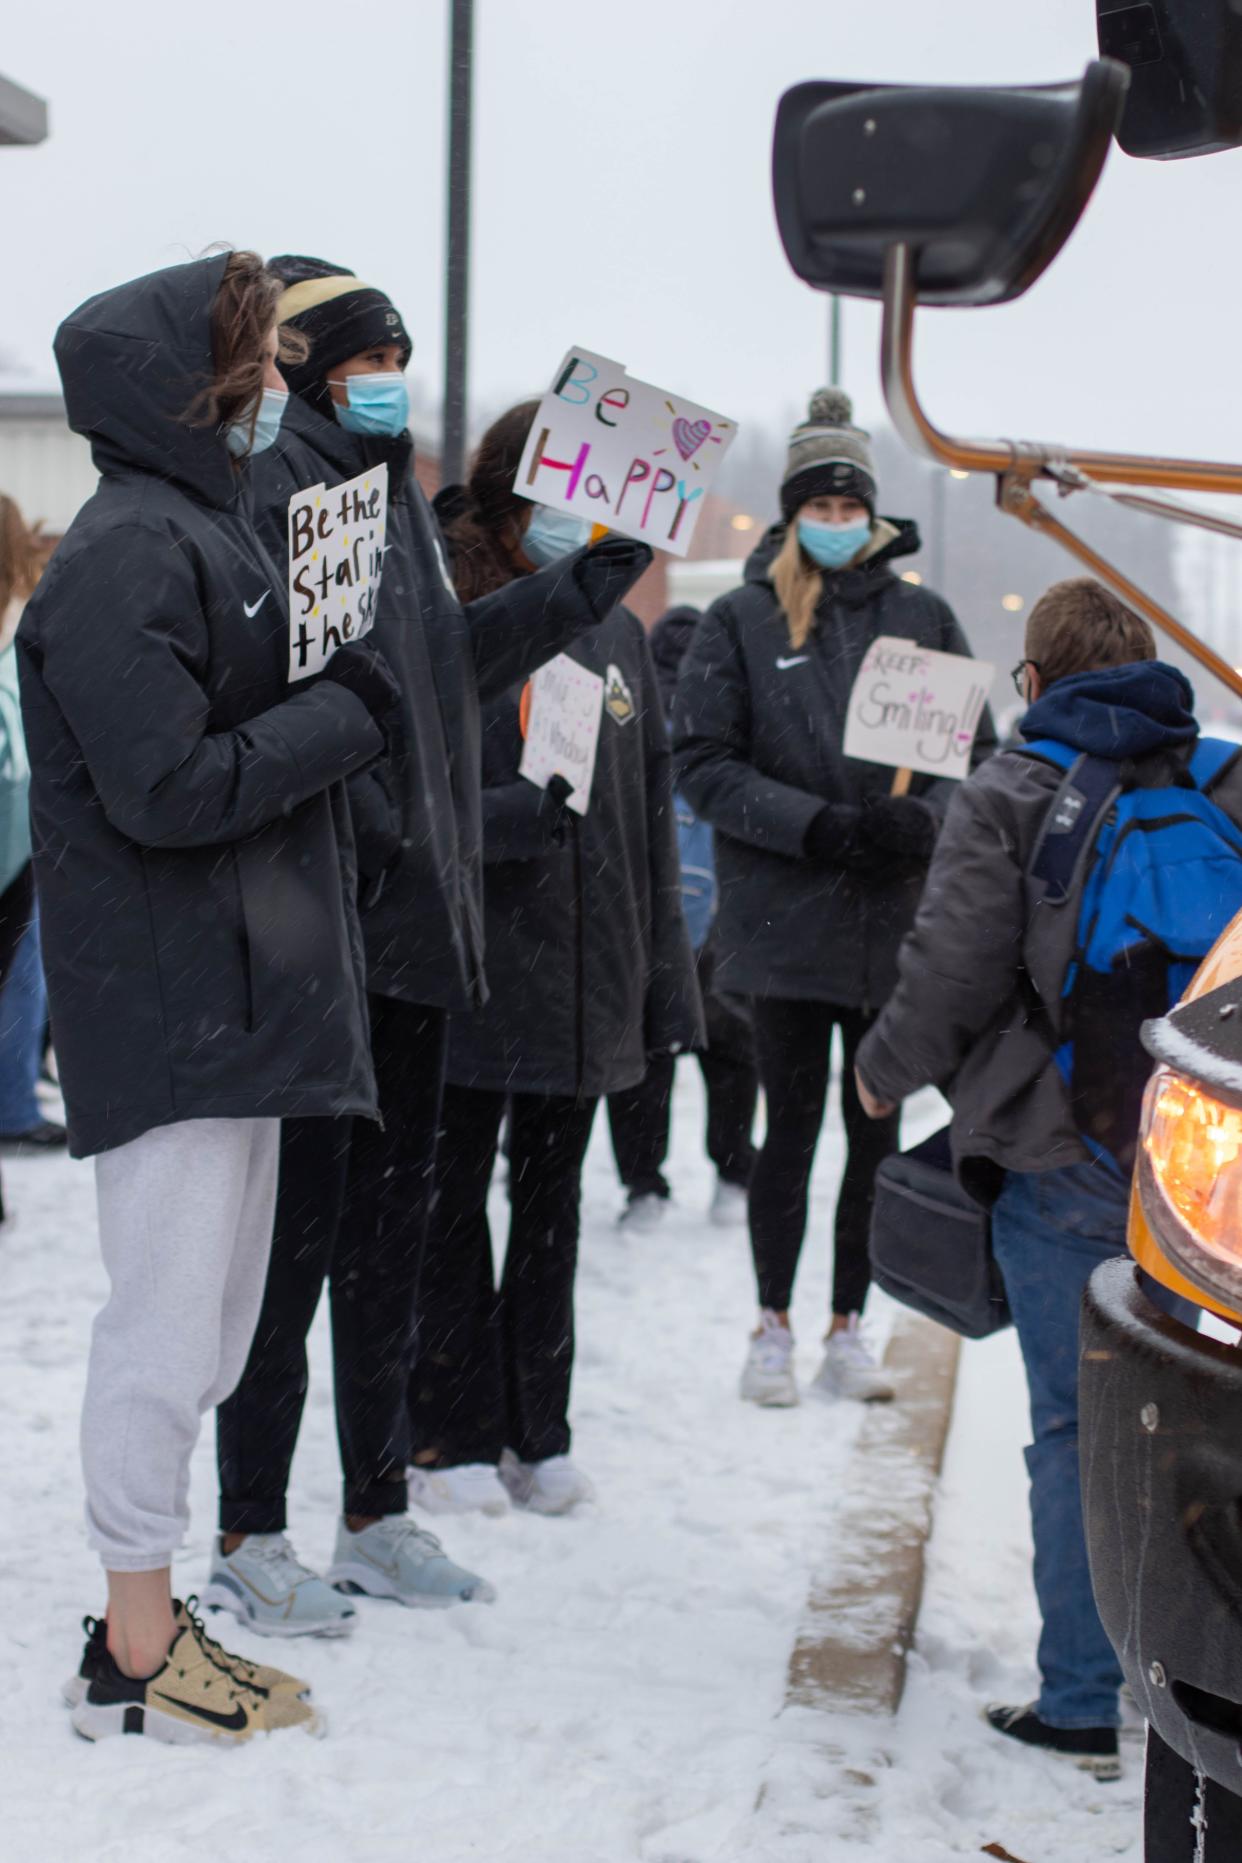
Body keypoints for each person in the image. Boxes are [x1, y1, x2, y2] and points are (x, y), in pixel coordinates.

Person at [209, 260, 653, 1631]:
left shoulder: (394, 496)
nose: (389, 372)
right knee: (293, 1246)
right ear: (303, 368)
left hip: (410, 936)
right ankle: (249, 1525)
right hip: (308, 929)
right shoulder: (268, 493)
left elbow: (440, 669)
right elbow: (296, 702)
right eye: (366, 353)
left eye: (400, 349)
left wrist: (581, 588)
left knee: (390, 1246)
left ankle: (376, 1506)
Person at [19, 252, 399, 1744]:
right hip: (172, 1000)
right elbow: (168, 787)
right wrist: (341, 715)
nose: (266, 397)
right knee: (167, 1331)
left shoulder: (204, 522)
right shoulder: (124, 548)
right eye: (242, 371)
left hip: (232, 995)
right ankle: (133, 1635)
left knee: (218, 1329)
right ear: (185, 389)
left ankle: (151, 1617)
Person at [854, 578, 1238, 1775]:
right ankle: (1208, 1679)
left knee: (1080, 1425)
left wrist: (882, 1071)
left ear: (1035, 680)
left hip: (1066, 1142)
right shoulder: (1217, 778)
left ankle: (1084, 1695)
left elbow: (954, 962)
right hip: (1199, 1157)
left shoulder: (1016, 790)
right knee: (1207, 1422)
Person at [405, 400, 702, 1519]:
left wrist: (662, 979)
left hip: (588, 976)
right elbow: (403, 794)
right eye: (553, 498)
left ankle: (543, 1425)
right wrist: (502, 822)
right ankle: (453, 1431)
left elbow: (654, 811)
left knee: (550, 1214)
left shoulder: (619, 627)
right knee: (443, 1213)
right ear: (505, 493)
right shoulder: (452, 605)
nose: (573, 521)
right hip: (470, 968)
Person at [674, 388, 995, 1408]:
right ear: (794, 508)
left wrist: (922, 823)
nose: (839, 520)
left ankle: (848, 1324)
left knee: (874, 1135)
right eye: (822, 503)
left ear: (874, 512)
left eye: (853, 505)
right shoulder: (740, 619)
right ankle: (771, 1321)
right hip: (780, 926)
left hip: (893, 932)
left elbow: (971, 761)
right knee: (791, 1127)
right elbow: (704, 764)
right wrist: (818, 827)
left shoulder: (923, 616)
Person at [606, 604, 757, 1231]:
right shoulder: (730, 712)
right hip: (723, 909)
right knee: (732, 1054)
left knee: (646, 1059)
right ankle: (733, 1174)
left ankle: (644, 1184)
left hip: (647, 912)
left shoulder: (632, 711)